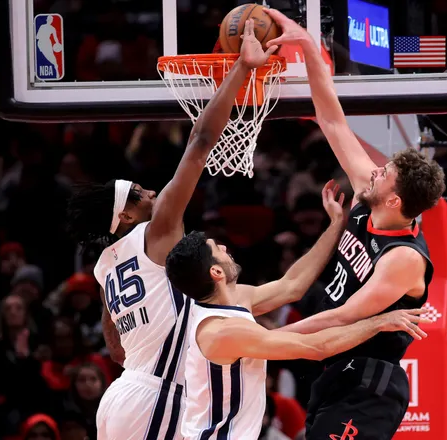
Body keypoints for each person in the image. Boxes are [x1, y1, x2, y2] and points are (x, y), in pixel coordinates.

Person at [64, 19, 278, 440]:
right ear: (125, 217)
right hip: (157, 397)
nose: (152, 193)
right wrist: (242, 69)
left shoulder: (105, 266)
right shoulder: (157, 230)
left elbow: (116, 349)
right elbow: (199, 143)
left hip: (123, 395)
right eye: (139, 194)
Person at [264, 8, 447, 440]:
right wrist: (308, 45)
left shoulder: (403, 259)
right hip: (335, 367)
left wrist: (263, 343)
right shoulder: (372, 193)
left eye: (383, 174)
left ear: (395, 200)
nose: (372, 171)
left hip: (370, 381)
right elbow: (331, 119)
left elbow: (343, 317)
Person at [165, 184, 431, 440]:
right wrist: (378, 322)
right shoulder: (221, 332)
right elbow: (316, 347)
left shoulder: (233, 298)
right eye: (218, 250)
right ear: (216, 273)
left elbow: (292, 285)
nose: (225, 248)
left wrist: (337, 225)